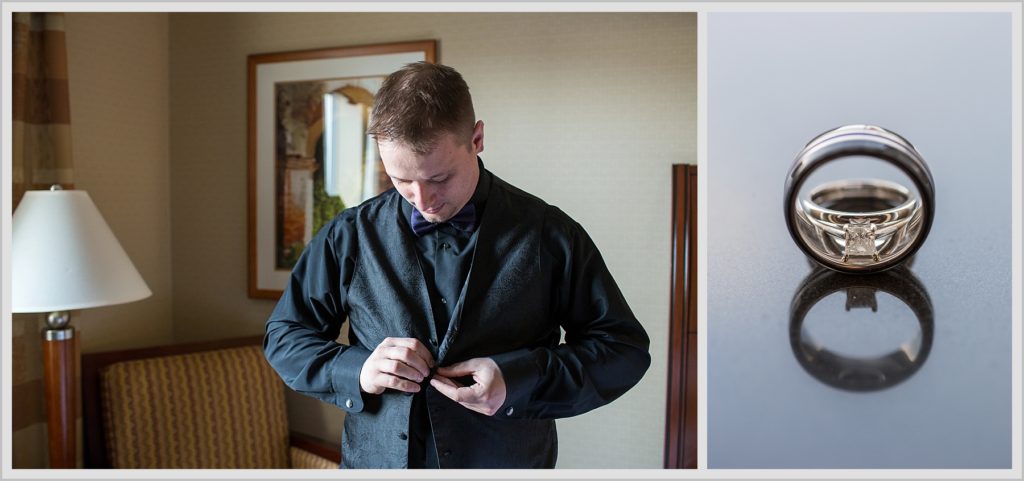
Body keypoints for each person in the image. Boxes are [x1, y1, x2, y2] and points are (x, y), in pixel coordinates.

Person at [263, 62, 651, 469]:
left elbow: (622, 351)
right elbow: (285, 336)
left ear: (477, 138)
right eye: (400, 180)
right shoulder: (348, 235)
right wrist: (357, 370)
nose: (423, 200)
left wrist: (519, 378)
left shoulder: (551, 235)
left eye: (439, 178)